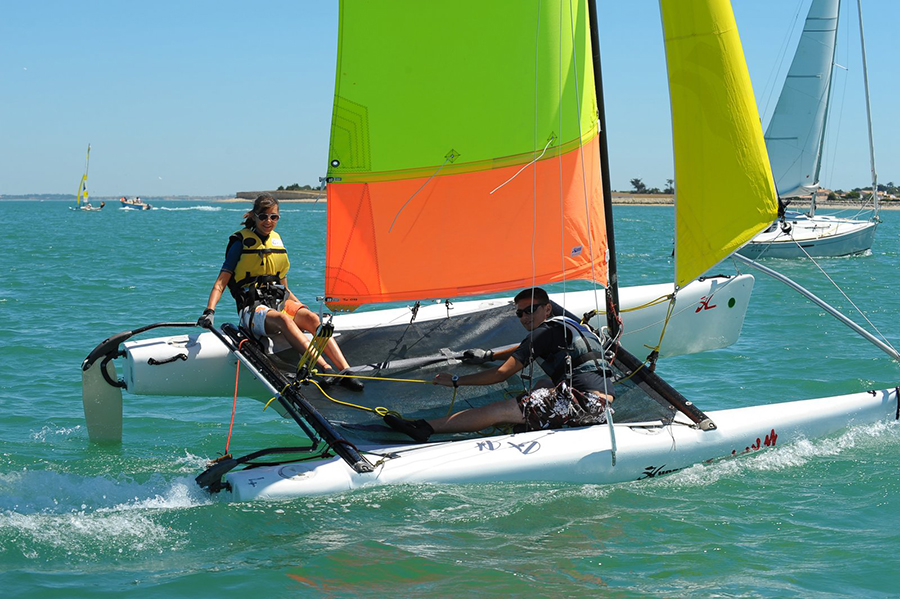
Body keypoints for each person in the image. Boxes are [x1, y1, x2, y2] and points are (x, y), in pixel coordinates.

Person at [384, 287, 614, 442]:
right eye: (519, 314)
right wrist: (489, 355)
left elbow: (502, 375)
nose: (525, 317)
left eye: (530, 310)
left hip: (586, 406)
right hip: (601, 404)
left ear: (547, 309)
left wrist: (456, 381)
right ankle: (535, 420)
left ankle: (425, 427)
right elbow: (522, 350)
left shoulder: (543, 333)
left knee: (500, 409)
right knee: (544, 382)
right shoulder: (569, 326)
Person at [198, 193, 363, 391]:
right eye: (263, 216)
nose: (269, 221)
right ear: (254, 216)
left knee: (313, 320)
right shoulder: (239, 242)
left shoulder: (276, 241)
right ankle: (324, 369)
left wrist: (302, 308)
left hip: (278, 302)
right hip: (252, 309)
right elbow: (220, 283)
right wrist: (209, 311)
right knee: (284, 320)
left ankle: (345, 371)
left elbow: (284, 288)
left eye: (273, 217)